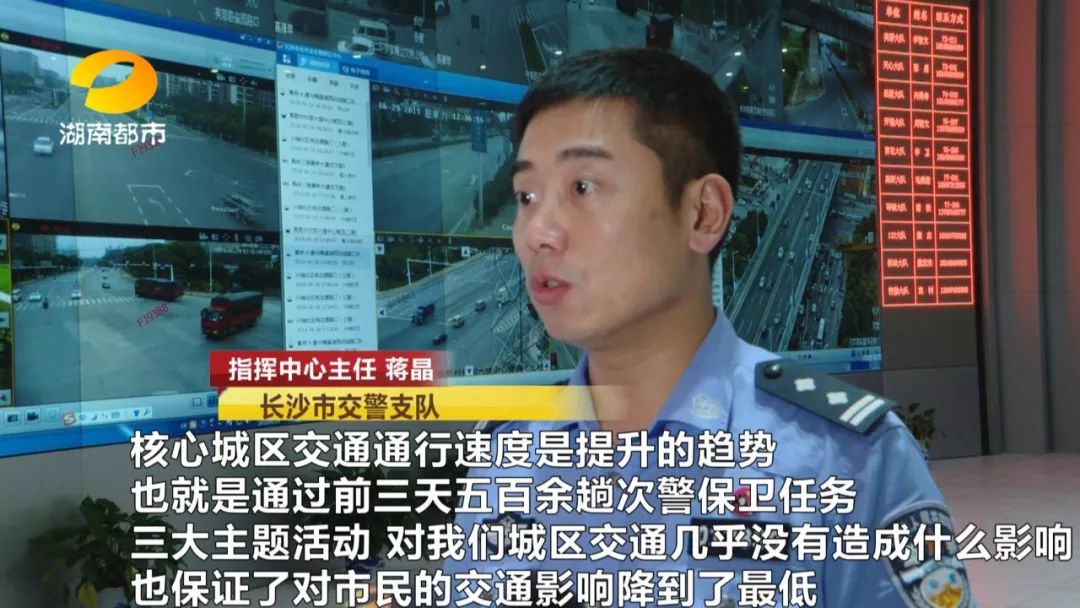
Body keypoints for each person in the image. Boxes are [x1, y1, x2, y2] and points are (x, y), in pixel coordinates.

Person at [443, 48, 975, 608]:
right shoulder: (508, 458)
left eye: (584, 188)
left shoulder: (842, 457)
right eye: (526, 197)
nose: (538, 233)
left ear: (703, 214)